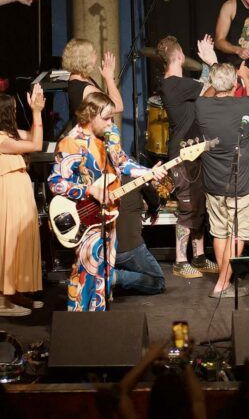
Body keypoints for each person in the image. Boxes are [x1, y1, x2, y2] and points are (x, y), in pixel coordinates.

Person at [48, 92, 167, 311]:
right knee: (86, 271)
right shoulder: (71, 143)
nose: (111, 123)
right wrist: (89, 189)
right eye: (106, 118)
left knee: (103, 273)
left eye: (112, 118)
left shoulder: (108, 138)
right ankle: (78, 320)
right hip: (85, 215)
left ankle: (98, 319)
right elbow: (55, 182)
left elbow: (122, 162)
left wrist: (149, 172)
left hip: (108, 216)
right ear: (90, 115)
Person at [194, 62, 249, 298]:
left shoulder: (201, 106)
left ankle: (224, 280)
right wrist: (245, 77)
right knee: (238, 233)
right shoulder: (246, 105)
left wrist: (216, 81)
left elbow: (206, 93)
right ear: (234, 84)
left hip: (214, 183)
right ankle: (222, 284)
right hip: (240, 185)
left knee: (220, 232)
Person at [156, 34, 220, 279]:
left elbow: (202, 87)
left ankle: (199, 257)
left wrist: (206, 65)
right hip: (183, 156)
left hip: (194, 152)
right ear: (180, 56)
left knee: (198, 206)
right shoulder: (173, 83)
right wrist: (211, 62)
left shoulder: (178, 85)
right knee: (187, 208)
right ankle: (181, 261)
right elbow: (210, 87)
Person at [0, 86, 45, 317]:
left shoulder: (7, 135)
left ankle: (14, 293)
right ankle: (3, 300)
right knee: (7, 241)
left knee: (19, 239)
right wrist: (36, 112)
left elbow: (34, 136)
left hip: (18, 190)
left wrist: (36, 109)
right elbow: (36, 145)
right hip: (6, 192)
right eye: (14, 110)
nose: (16, 113)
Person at [60, 37, 124, 124]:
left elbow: (107, 99)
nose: (96, 57)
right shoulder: (85, 88)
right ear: (85, 58)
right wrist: (109, 78)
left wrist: (110, 77)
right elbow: (117, 106)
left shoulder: (82, 78)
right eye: (94, 53)